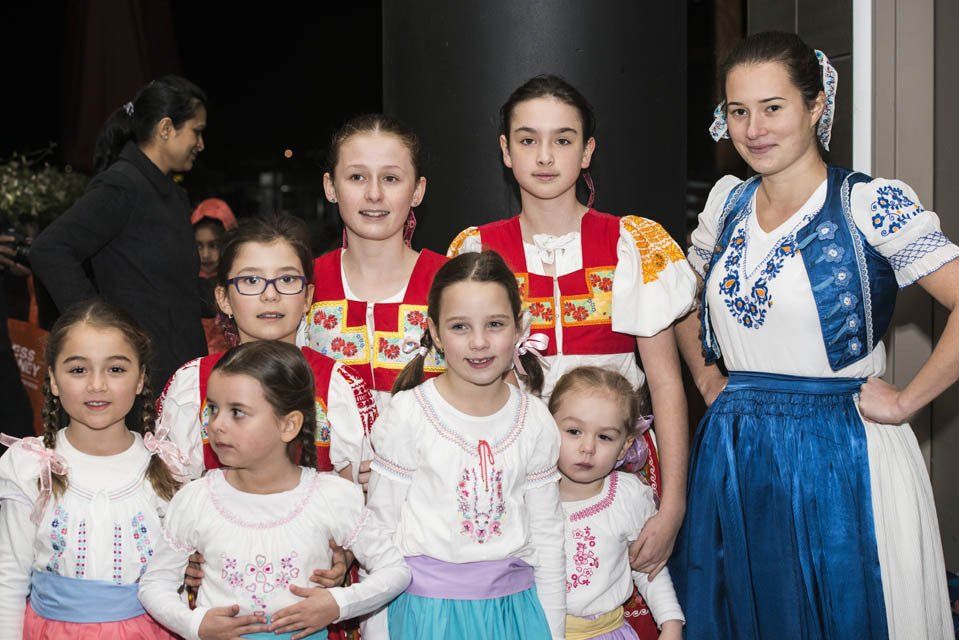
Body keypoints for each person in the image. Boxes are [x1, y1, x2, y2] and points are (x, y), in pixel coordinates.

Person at [672, 31, 957, 639]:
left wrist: (907, 401)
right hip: (738, 448)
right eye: (739, 111)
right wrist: (706, 376)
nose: (754, 129)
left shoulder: (867, 205)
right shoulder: (727, 204)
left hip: (840, 451)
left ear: (816, 106)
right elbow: (678, 300)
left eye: (773, 107)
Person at [447, 75, 695, 632]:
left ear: (587, 152)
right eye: (528, 139)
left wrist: (674, 504)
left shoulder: (634, 242)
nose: (544, 156)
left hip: (617, 472)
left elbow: (667, 384)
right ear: (505, 151)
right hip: (510, 475)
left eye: (563, 140)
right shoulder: (478, 250)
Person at [139, 340, 411, 640]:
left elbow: (395, 571)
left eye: (237, 412)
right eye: (213, 409)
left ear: (289, 425)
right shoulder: (195, 499)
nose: (216, 425)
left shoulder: (332, 497)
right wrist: (194, 625)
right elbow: (155, 583)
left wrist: (338, 604)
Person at [366, 251, 564, 639]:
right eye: (460, 326)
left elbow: (548, 539)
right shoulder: (408, 414)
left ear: (520, 327)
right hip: (426, 618)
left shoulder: (535, 420)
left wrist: (553, 632)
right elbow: (381, 537)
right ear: (435, 332)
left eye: (495, 324)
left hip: (514, 617)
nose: (479, 342)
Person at [0, 298, 189, 638]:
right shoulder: (31, 465)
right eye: (78, 370)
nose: (97, 385)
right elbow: (9, 577)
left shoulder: (167, 466)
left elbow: (179, 582)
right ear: (54, 380)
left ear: (140, 379)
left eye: (115, 369)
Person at [159, 214, 376, 482]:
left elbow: (357, 499)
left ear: (307, 297)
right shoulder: (193, 386)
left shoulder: (336, 387)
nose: (270, 295)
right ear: (223, 299)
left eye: (286, 280)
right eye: (251, 281)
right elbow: (173, 497)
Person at [31, 75, 209, 390]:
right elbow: (50, 249)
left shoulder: (170, 193)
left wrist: (235, 294)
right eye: (197, 132)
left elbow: (177, 288)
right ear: (166, 129)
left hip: (181, 374)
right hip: (141, 378)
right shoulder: (123, 185)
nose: (201, 144)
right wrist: (98, 323)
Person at [299, 114, 447, 410]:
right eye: (357, 177)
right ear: (330, 187)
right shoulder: (302, 283)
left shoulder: (452, 282)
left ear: (417, 190)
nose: (374, 194)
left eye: (390, 178)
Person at [551, 366, 684, 639]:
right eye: (574, 431)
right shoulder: (529, 494)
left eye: (605, 437)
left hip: (607, 632)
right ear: (548, 429)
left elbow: (648, 567)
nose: (588, 447)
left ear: (625, 446)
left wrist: (671, 623)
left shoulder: (627, 496)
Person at [192, 197, 239, 354]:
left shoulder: (239, 283)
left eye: (213, 245)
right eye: (199, 246)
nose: (205, 254)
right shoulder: (185, 282)